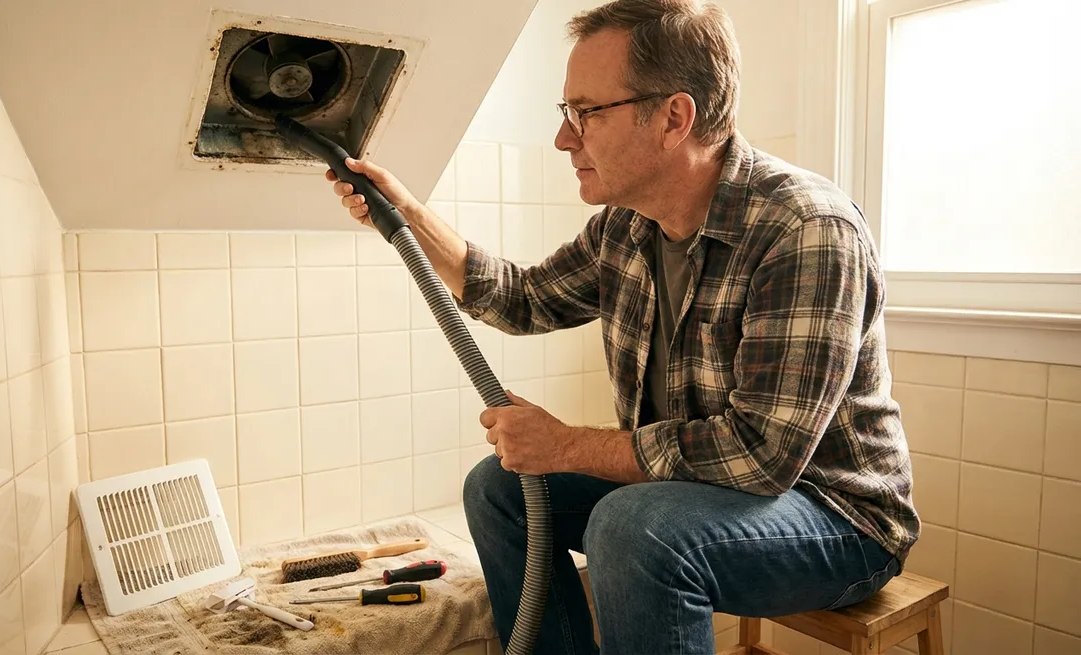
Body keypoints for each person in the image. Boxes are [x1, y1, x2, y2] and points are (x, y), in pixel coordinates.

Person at [324, 0, 919, 651]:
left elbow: (761, 456)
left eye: (587, 112)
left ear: (673, 118)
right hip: (698, 489)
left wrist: (566, 445)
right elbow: (522, 299)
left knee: (633, 527)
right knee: (500, 490)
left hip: (838, 519)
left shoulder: (805, 230)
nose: (564, 138)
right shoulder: (627, 227)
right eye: (565, 113)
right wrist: (405, 212)